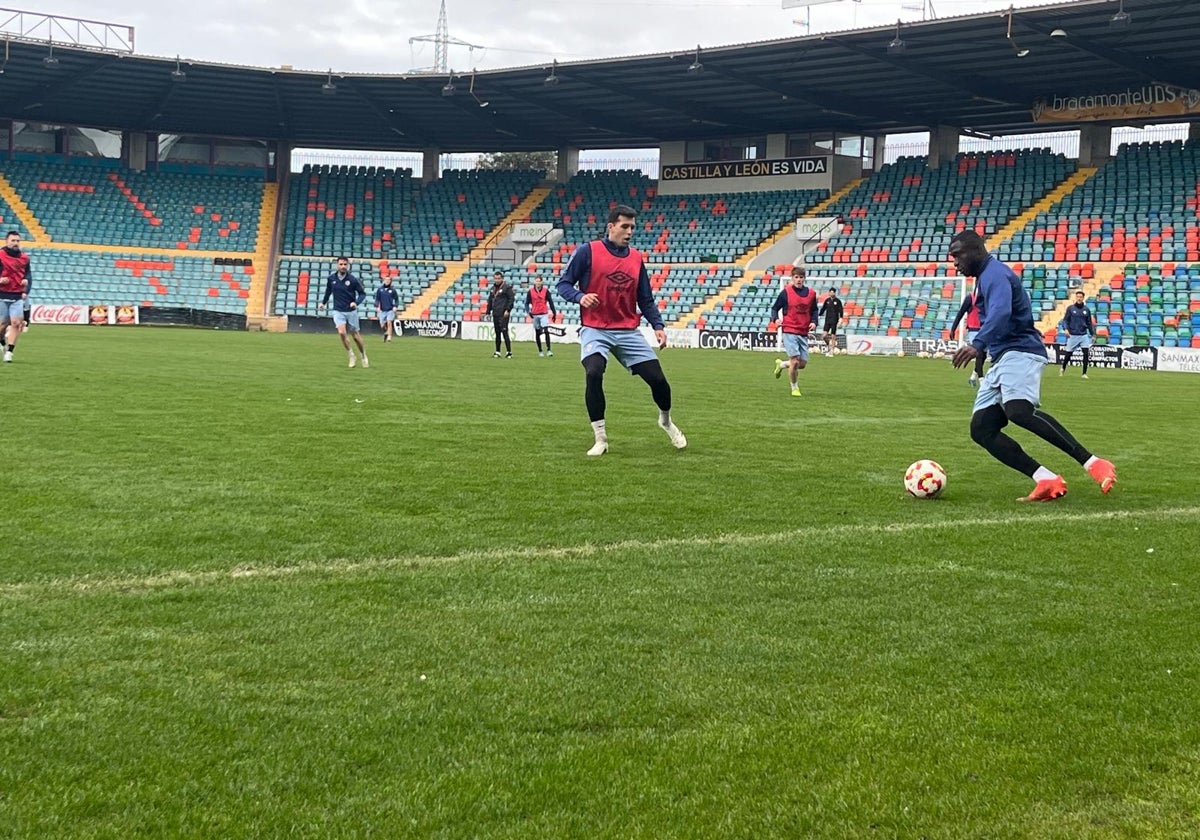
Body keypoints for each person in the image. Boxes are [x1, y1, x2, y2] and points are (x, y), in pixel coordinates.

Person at [948, 231, 1116, 502]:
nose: (954, 262)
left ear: (976, 250)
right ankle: (1045, 479)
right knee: (982, 428)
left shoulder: (995, 274)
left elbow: (1002, 313)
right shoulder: (982, 279)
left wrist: (977, 344)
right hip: (1003, 357)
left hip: (1021, 351)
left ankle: (1094, 462)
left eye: (957, 255)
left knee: (1019, 411)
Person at [556, 204, 686, 456]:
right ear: (611, 227)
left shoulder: (636, 258)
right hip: (595, 328)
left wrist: (658, 326)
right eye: (624, 226)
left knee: (659, 381)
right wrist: (580, 297)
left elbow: (645, 299)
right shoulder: (588, 251)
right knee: (593, 372)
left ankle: (666, 421)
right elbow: (563, 285)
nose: (629, 232)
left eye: (632, 227)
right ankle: (601, 439)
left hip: (627, 330)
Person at [769, 265, 819, 397]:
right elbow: (775, 308)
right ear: (792, 278)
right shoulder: (786, 292)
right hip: (789, 330)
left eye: (801, 277)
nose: (798, 280)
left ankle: (781, 365)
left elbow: (814, 310)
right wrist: (776, 320)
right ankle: (794, 388)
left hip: (803, 331)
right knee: (795, 361)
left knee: (801, 364)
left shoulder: (811, 294)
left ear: (804, 279)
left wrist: (814, 322)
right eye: (796, 277)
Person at [317, 256, 369, 368]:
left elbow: (362, 294)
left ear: (348, 265)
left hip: (351, 311)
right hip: (338, 310)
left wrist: (356, 302)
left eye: (345, 264)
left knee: (355, 336)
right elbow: (328, 291)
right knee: (341, 332)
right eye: (341, 264)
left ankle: (363, 355)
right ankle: (351, 355)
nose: (343, 266)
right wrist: (323, 303)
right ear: (337, 265)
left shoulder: (353, 279)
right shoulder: (331, 279)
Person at [0, 231, 31, 364]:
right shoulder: (0, 255)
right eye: (13, 240)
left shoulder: (25, 258)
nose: (15, 243)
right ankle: (1, 340)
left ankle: (9, 352)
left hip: (17, 295)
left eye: (17, 241)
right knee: (2, 325)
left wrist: (26, 284)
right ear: (6, 241)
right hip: (1, 295)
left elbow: (29, 275)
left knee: (16, 323)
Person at [949, 286, 986, 387]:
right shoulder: (970, 298)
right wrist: (953, 328)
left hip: (985, 329)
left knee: (983, 356)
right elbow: (960, 313)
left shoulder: (988, 298)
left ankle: (973, 377)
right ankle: (982, 382)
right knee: (979, 353)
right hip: (974, 329)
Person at [1059, 290, 1095, 379]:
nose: (1079, 298)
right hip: (1073, 335)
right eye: (1078, 297)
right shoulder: (1070, 308)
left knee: (1086, 353)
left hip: (1083, 335)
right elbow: (1065, 320)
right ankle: (1063, 368)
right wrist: (1066, 329)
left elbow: (1089, 323)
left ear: (1083, 298)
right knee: (1068, 354)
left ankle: (1084, 373)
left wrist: (1092, 334)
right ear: (1076, 297)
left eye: (1081, 297)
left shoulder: (1086, 310)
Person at [485, 270, 515, 358]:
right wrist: (488, 312)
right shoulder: (492, 289)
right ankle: (497, 351)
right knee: (497, 333)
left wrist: (507, 310)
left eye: (499, 278)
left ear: (502, 278)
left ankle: (509, 352)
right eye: (496, 278)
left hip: (503, 314)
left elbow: (511, 299)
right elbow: (490, 301)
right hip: (495, 314)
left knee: (504, 332)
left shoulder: (507, 288)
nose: (497, 280)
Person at [526, 274, 557, 357]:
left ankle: (549, 350)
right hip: (535, 314)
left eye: (539, 281)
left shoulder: (546, 291)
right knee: (537, 332)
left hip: (543, 313)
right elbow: (526, 303)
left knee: (546, 330)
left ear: (541, 282)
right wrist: (528, 311)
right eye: (537, 281)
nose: (538, 282)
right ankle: (540, 350)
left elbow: (550, 302)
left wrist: (554, 312)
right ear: (534, 282)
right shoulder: (530, 291)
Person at [818, 285, 844, 356]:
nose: (831, 293)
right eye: (830, 292)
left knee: (833, 336)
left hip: (834, 320)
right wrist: (819, 315)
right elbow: (823, 308)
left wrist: (841, 318)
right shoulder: (827, 300)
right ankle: (829, 345)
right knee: (824, 336)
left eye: (833, 292)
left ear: (835, 293)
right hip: (827, 320)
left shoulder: (838, 301)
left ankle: (831, 351)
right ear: (829, 293)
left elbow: (841, 310)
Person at [374, 274, 400, 343]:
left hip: (390, 309)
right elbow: (377, 299)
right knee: (382, 325)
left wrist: (395, 306)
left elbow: (396, 299)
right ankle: (386, 332)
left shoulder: (393, 290)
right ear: (384, 281)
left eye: (389, 280)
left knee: (389, 322)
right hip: (382, 310)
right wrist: (377, 306)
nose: (387, 281)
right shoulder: (380, 290)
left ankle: (389, 337)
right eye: (386, 280)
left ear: (390, 281)